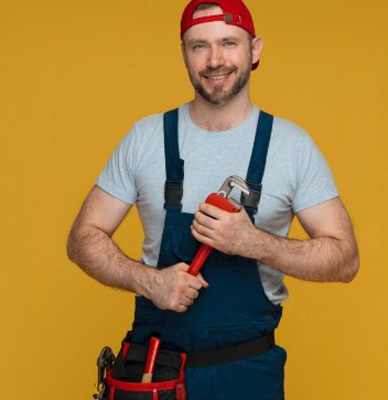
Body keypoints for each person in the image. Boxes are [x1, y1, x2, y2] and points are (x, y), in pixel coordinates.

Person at [67, 0, 359, 398]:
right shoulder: (146, 139)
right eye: (199, 46)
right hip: (156, 377)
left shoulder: (292, 147)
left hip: (248, 380)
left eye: (228, 43)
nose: (215, 60)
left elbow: (345, 259)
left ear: (254, 50)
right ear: (184, 54)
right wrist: (150, 281)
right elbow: (82, 238)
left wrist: (253, 243)